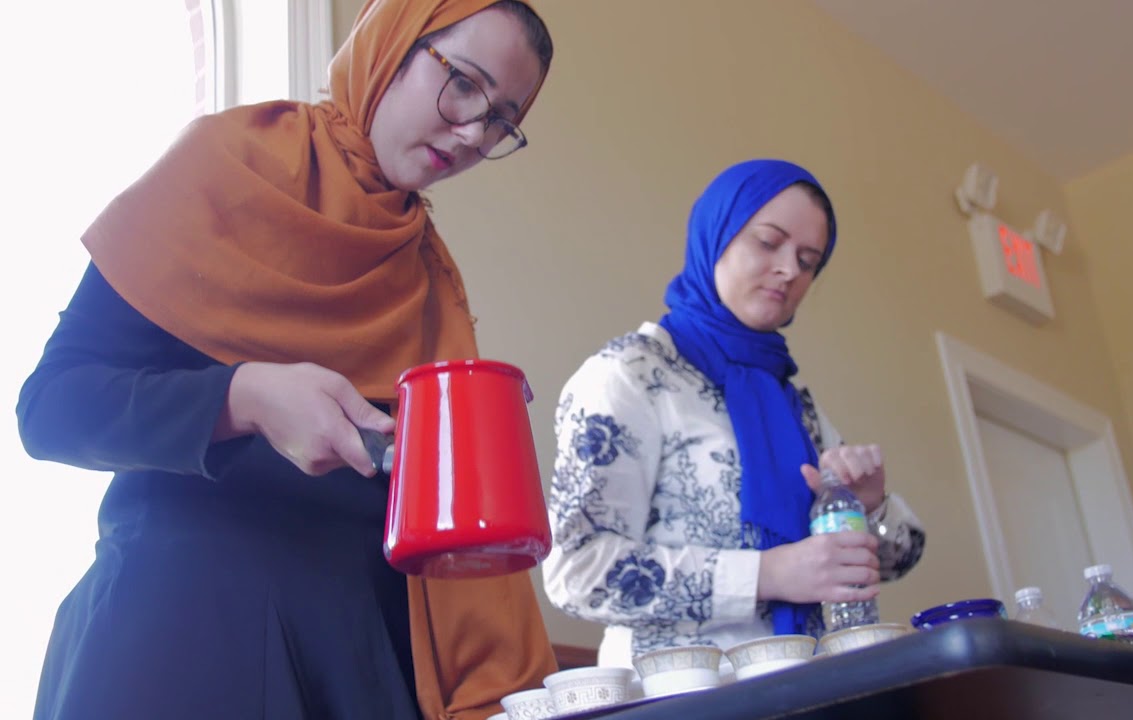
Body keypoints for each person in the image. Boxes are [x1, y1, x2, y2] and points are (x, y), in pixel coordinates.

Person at [17, 1, 557, 718]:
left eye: (501, 120)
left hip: (357, 663)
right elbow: (52, 408)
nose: (470, 132)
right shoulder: (227, 165)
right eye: (463, 81)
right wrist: (241, 401)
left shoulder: (428, 280)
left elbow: (424, 524)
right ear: (390, 44)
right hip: (180, 645)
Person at [542, 159, 926, 668]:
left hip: (812, 687)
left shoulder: (793, 402)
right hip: (683, 695)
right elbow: (577, 569)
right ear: (715, 235)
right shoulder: (632, 373)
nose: (790, 270)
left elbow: (880, 564)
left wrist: (868, 507)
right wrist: (767, 574)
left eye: (809, 260)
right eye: (769, 242)